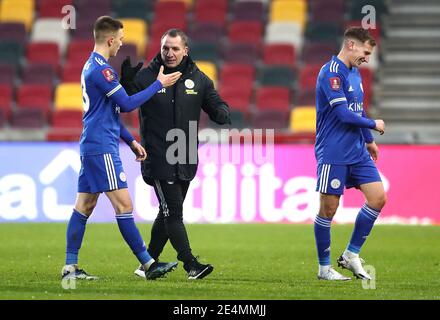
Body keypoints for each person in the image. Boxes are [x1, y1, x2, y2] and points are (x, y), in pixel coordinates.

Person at [61, 16, 182, 281]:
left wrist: (131, 140)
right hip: (102, 148)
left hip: (94, 143)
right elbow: (127, 104)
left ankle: (70, 268)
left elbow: (110, 112)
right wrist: (158, 84)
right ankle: (149, 265)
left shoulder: (91, 66)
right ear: (110, 39)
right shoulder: (101, 70)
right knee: (124, 205)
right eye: (121, 40)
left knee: (84, 206)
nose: (122, 45)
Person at [120, 29, 231, 280]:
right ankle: (191, 264)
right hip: (158, 155)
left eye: (174, 49)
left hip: (185, 156)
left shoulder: (198, 79)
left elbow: (215, 103)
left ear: (185, 51)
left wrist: (221, 112)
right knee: (174, 212)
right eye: (165, 48)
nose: (169, 53)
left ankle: (147, 263)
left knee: (168, 211)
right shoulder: (148, 76)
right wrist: (126, 82)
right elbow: (124, 101)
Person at [313, 27, 387, 281]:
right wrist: (373, 125)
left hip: (357, 151)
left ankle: (351, 255)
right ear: (351, 45)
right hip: (333, 151)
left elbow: (358, 109)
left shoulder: (355, 73)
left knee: (378, 198)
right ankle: (324, 268)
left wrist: (368, 140)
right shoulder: (331, 73)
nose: (367, 58)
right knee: (329, 210)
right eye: (365, 52)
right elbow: (343, 114)